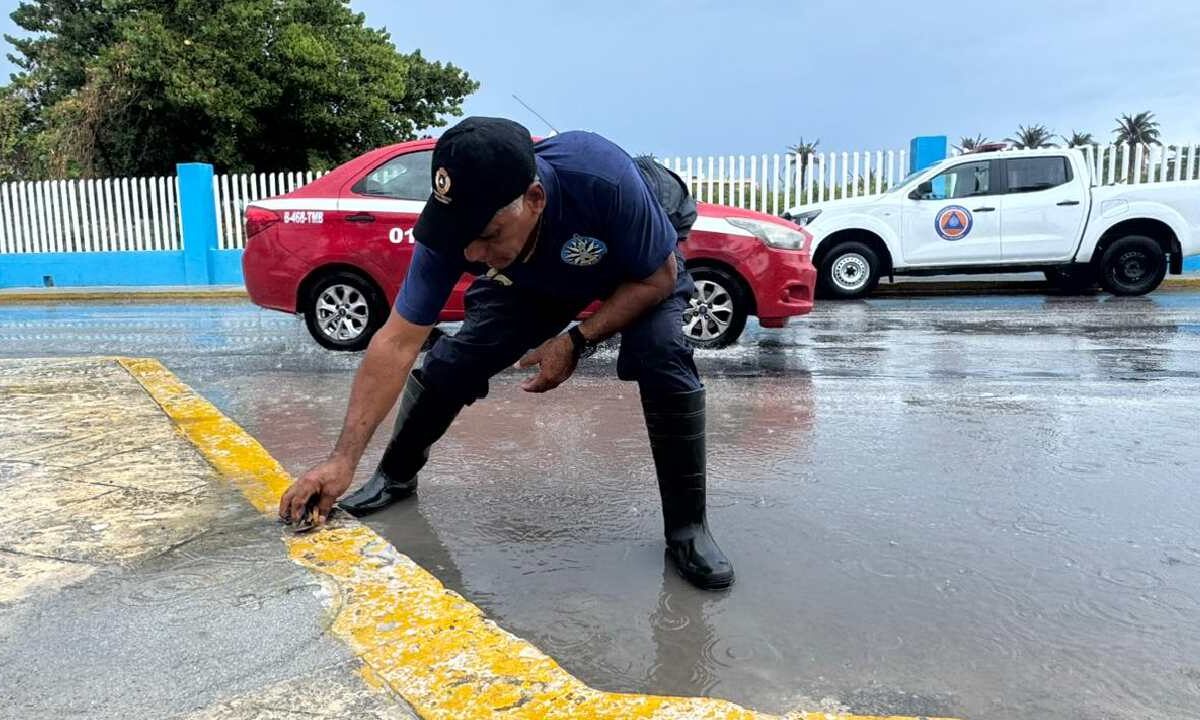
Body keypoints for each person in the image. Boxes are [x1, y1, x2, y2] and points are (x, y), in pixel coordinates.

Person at [278, 117, 734, 590]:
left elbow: (656, 278)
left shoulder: (603, 181)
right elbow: (396, 341)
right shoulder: (457, 233)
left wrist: (576, 340)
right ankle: (394, 475)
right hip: (541, 268)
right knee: (462, 356)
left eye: (489, 233)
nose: (472, 253)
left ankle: (687, 529)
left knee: (661, 352)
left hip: (636, 257)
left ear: (533, 199)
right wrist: (342, 460)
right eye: (462, 236)